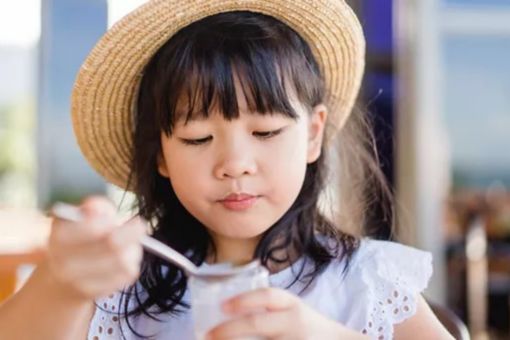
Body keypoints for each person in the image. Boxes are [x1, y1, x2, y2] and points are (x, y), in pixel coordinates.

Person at [0, 1, 453, 339]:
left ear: (313, 134)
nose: (234, 164)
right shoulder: (117, 290)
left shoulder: (366, 280)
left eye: (267, 132)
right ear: (160, 152)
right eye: (198, 138)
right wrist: (63, 283)